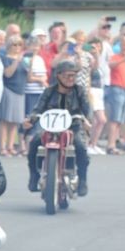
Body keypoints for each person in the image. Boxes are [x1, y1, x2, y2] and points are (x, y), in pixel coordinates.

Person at [25, 60, 91, 197]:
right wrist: (30, 119)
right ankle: (34, 175)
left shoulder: (79, 91)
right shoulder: (49, 91)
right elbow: (38, 108)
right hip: (50, 129)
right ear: (58, 76)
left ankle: (83, 179)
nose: (71, 79)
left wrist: (87, 121)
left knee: (81, 147)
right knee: (34, 143)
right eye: (67, 75)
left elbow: (87, 110)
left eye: (73, 76)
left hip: (72, 128)